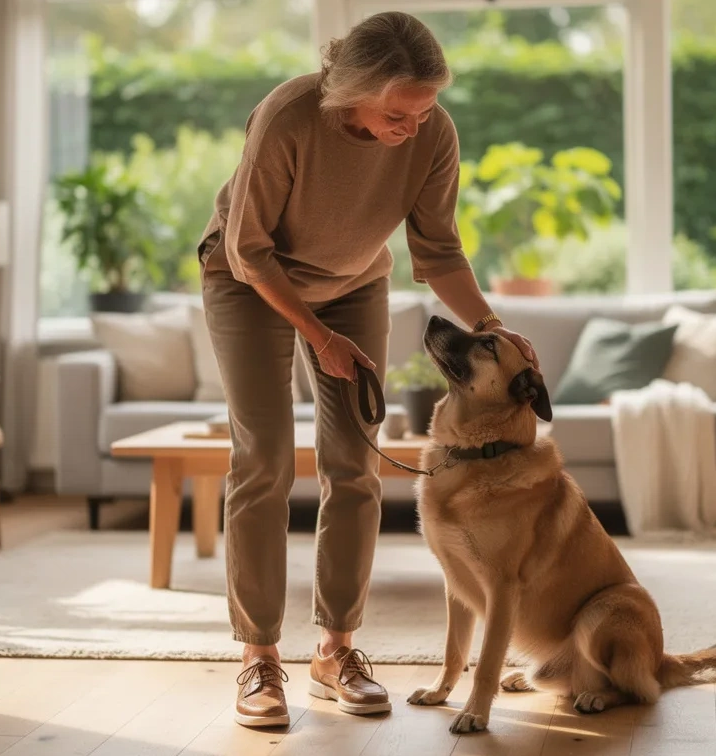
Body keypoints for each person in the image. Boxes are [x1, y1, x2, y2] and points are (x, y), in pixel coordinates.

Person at [196, 10, 539, 728]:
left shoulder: (433, 132)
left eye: (424, 109)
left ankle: (335, 650)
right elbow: (248, 248)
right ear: (354, 88)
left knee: (354, 462)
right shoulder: (290, 115)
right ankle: (260, 659)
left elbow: (439, 251)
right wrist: (316, 336)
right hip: (247, 277)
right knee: (262, 458)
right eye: (397, 111)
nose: (412, 125)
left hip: (354, 283)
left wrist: (491, 324)